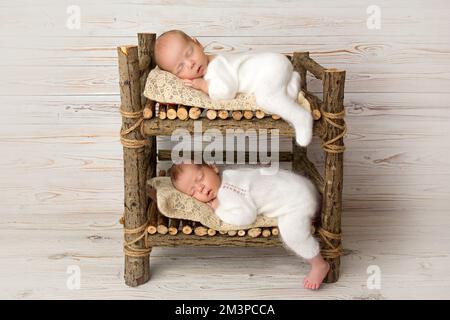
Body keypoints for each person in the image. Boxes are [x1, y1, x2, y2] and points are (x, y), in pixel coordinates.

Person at [169, 162, 330, 290]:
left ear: (213, 167)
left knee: (292, 233)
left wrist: (218, 209)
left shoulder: (226, 192)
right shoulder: (232, 175)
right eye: (193, 192)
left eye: (200, 178)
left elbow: (246, 216)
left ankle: (319, 264)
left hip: (296, 201)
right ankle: (310, 213)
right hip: (301, 185)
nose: (201, 188)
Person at [154, 29, 313, 147]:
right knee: (275, 92)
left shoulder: (216, 67)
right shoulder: (214, 63)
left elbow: (226, 91)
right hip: (276, 63)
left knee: (265, 99)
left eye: (189, 53)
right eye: (181, 67)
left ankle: (301, 117)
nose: (191, 63)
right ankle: (291, 82)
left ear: (198, 43)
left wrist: (204, 86)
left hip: (270, 68)